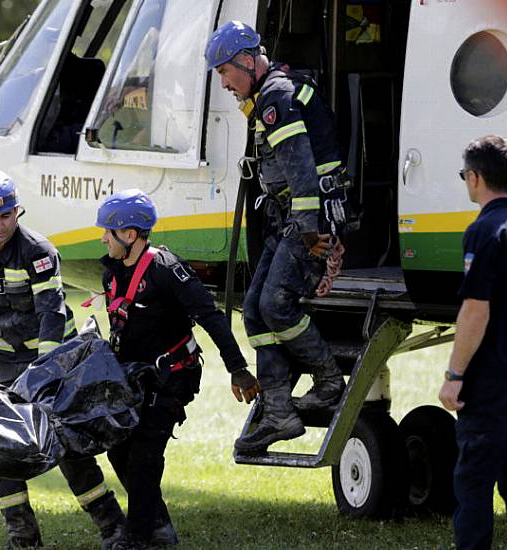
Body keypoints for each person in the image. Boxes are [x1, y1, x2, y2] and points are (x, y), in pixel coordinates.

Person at [0, 170, 125, 549]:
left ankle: (113, 527)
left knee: (66, 446)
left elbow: (52, 312)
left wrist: (44, 372)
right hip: (5, 360)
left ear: (17, 212)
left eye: (6, 215)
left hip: (55, 358)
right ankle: (22, 536)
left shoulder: (38, 250)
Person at [205, 21, 349, 454]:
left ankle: (328, 382)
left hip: (308, 221)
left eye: (226, 73)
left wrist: (310, 235)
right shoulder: (270, 94)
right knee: (252, 310)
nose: (225, 84)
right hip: (288, 219)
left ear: (248, 62)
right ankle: (281, 413)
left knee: (274, 304)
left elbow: (303, 171)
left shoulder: (276, 98)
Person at [94, 190, 260, 549]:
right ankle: (158, 526)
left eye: (109, 231)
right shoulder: (112, 274)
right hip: (134, 377)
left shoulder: (167, 270)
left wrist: (238, 369)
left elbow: (212, 317)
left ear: (131, 235)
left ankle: (136, 538)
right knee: (119, 452)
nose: (103, 237)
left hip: (173, 376)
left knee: (144, 454)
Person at [438, 135, 507, 550]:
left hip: (488, 382)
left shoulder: (484, 231)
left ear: (476, 177)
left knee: (473, 486)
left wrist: (455, 375)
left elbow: (475, 311)